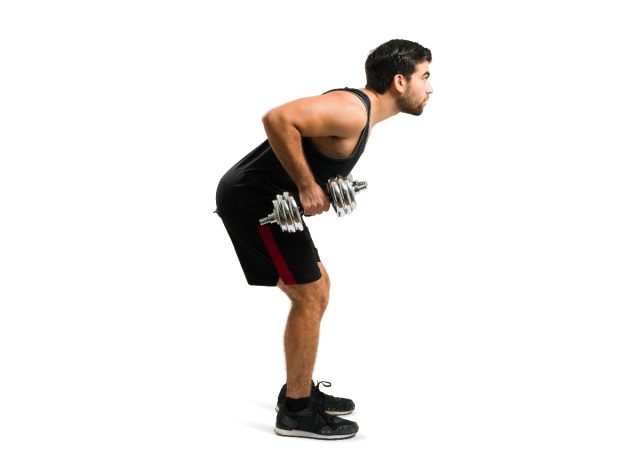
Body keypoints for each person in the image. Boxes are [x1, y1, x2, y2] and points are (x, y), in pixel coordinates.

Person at [214, 39, 433, 440]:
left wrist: (325, 184)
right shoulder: (352, 110)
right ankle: (297, 411)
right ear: (400, 81)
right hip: (253, 203)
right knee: (309, 295)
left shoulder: (360, 115)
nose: (430, 88)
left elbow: (311, 150)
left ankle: (298, 389)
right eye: (425, 76)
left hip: (268, 200)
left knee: (318, 288)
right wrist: (306, 185)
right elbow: (278, 118)